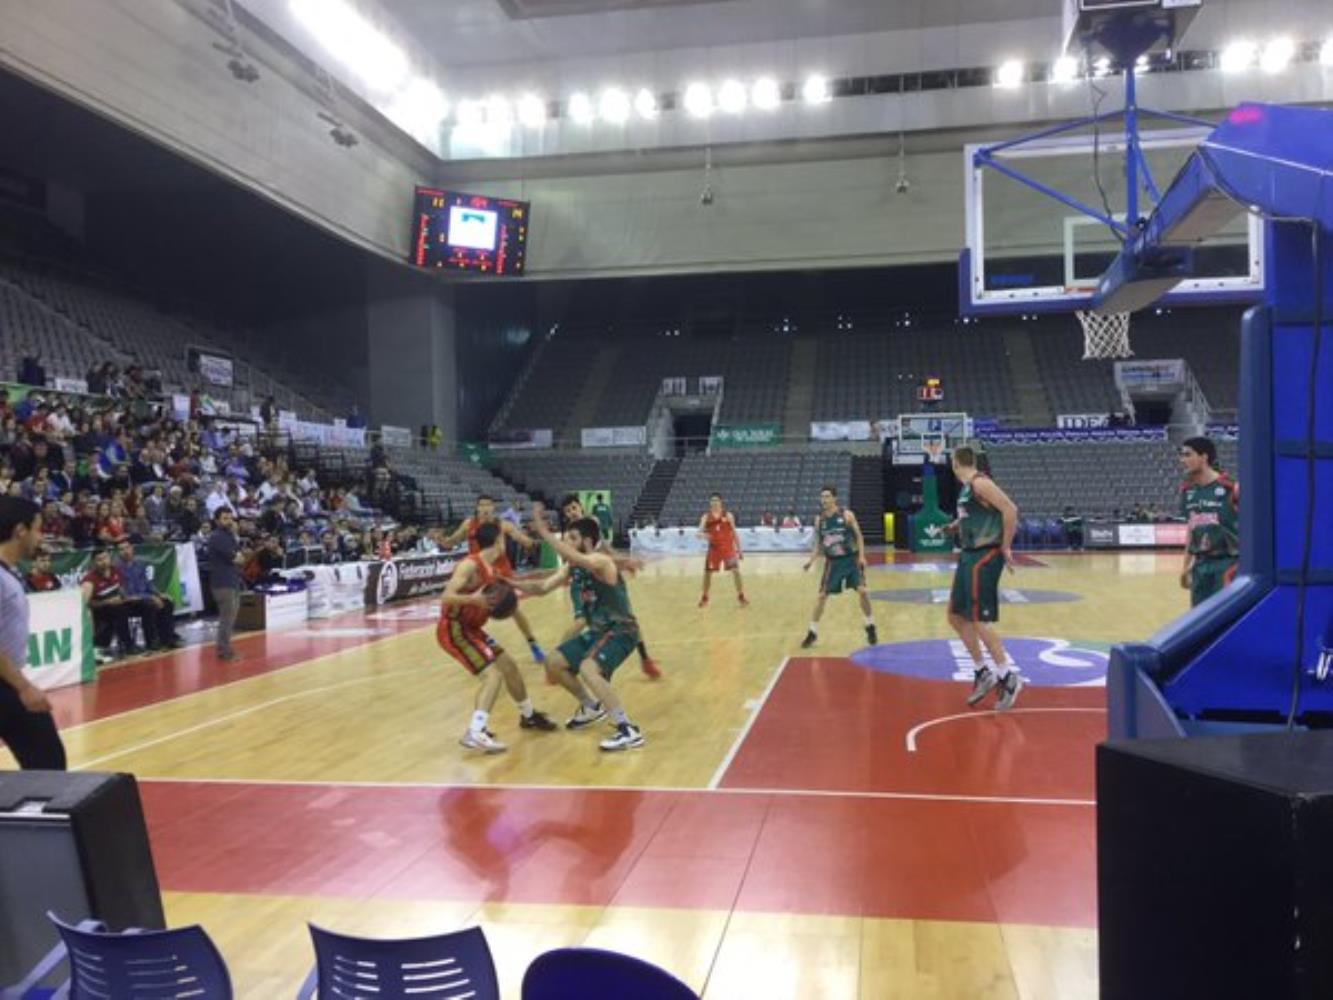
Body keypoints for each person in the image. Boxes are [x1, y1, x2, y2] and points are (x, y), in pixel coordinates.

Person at [513, 507, 646, 751]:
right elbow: (542, 587)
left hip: (620, 631)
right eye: (565, 537)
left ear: (587, 541)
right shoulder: (573, 567)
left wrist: (544, 532)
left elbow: (582, 559)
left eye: (572, 538)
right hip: (598, 632)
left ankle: (627, 729)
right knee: (553, 662)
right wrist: (510, 583)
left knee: (588, 668)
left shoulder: (600, 561)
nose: (566, 541)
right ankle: (591, 707)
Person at [436, 521, 556, 753]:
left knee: (509, 666)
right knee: (493, 677)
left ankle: (528, 716)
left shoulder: (492, 570)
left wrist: (535, 588)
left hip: (472, 629)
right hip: (455, 629)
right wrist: (474, 600)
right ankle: (475, 732)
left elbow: (523, 587)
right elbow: (446, 596)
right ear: (499, 541)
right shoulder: (469, 566)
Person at [946, 445, 1022, 711]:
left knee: (979, 619)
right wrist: (955, 526)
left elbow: (1010, 509)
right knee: (955, 616)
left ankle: (1007, 676)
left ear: (956, 463)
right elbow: (976, 514)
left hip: (985, 554)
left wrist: (1006, 546)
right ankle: (982, 672)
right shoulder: (967, 489)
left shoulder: (980, 482)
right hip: (968, 554)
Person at [559, 494, 660, 679]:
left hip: (603, 578)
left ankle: (645, 659)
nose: (571, 513)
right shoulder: (569, 535)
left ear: (580, 507)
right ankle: (563, 656)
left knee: (627, 619)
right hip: (582, 581)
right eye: (567, 511)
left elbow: (605, 547)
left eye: (573, 508)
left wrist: (621, 562)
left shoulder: (592, 525)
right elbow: (570, 560)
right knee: (581, 622)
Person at [0, 497, 67, 769]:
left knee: (46, 761)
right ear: (20, 530)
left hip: (8, 680)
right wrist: (24, 687)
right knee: (48, 764)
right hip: (7, 684)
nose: (40, 537)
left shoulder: (9, 572)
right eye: (38, 529)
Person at [442, 495, 546, 663]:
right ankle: (471, 640)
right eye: (481, 505)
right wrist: (443, 540)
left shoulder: (502, 525)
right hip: (477, 573)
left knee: (514, 610)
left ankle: (533, 643)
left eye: (488, 505)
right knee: (469, 607)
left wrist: (532, 542)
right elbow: (451, 542)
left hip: (500, 573)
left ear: (493, 508)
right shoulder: (469, 524)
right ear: (476, 508)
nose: (485, 508)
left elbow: (521, 538)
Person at [801, 486, 876, 649]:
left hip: (851, 560)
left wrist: (862, 556)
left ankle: (870, 625)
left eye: (827, 496)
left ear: (834, 498)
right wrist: (811, 561)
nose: (824, 500)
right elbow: (818, 544)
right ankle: (812, 632)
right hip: (833, 562)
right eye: (822, 497)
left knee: (863, 592)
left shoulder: (846, 515)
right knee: (821, 596)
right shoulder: (819, 520)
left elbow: (859, 536)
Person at [1178, 436, 1240, 607]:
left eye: (1187, 455)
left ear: (1204, 457)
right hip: (1200, 566)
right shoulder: (1187, 490)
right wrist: (1185, 566)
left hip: (1228, 564)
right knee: (1199, 620)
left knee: (1224, 617)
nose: (1182, 459)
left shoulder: (1231, 487)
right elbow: (1192, 528)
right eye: (1182, 455)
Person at [115, 540, 181, 651]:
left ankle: (167, 638)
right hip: (131, 601)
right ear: (118, 553)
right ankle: (151, 641)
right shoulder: (117, 570)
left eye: (127, 548)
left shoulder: (140, 565)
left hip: (145, 597)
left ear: (132, 549)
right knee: (148, 605)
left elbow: (148, 584)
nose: (125, 551)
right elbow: (128, 593)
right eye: (121, 549)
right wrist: (150, 597)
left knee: (168, 602)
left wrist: (160, 594)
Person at [83, 548, 137, 659]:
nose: (103, 561)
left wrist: (127, 598)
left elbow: (121, 590)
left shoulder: (115, 571)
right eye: (99, 559)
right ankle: (127, 645)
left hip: (119, 604)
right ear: (94, 562)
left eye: (105, 558)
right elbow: (86, 604)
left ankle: (155, 640)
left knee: (147, 605)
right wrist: (107, 602)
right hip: (102, 609)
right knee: (120, 610)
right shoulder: (89, 580)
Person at [698, 493, 748, 608]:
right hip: (714, 550)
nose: (714, 502)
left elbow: (734, 533)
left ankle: (741, 596)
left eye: (716, 500)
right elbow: (698, 533)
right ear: (710, 503)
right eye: (712, 500)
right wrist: (705, 535)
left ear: (721, 502)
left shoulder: (728, 515)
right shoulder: (706, 517)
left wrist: (739, 550)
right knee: (707, 574)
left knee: (736, 571)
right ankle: (705, 597)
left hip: (728, 549)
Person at [208, 509, 244, 661]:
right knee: (226, 619)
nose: (228, 521)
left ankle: (226, 649)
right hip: (223, 583)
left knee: (230, 618)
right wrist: (238, 557)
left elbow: (239, 555)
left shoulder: (228, 535)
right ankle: (224, 651)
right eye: (224, 518)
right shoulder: (218, 537)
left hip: (231, 580)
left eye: (230, 518)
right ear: (217, 521)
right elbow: (237, 558)